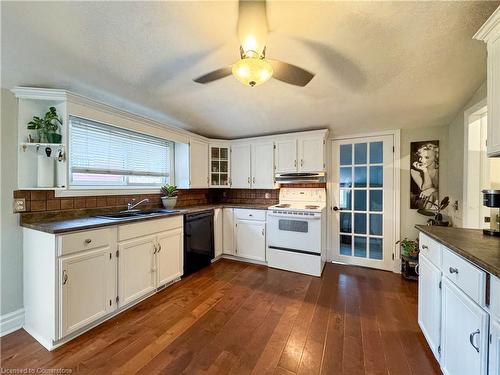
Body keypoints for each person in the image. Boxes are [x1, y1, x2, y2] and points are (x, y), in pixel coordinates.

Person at [411, 143, 439, 209]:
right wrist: (425, 170)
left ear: (435, 158)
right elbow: (425, 189)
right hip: (424, 202)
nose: (422, 160)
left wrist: (432, 189)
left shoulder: (440, 171)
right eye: (421, 157)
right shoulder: (414, 172)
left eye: (427, 157)